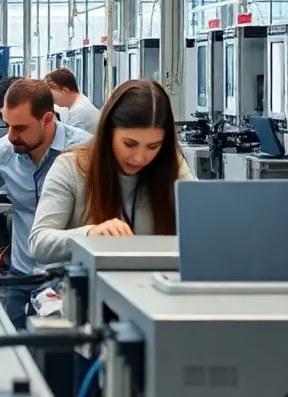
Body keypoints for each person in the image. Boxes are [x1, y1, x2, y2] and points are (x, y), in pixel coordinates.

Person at [0, 78, 92, 328]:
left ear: (47, 119)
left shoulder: (84, 151)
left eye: (20, 128)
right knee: (15, 350)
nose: (11, 136)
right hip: (21, 273)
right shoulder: (6, 149)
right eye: (7, 125)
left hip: (67, 277)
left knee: (57, 359)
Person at [29, 79, 194, 265]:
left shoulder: (173, 167)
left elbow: (201, 222)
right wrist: (89, 234)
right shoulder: (71, 167)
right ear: (108, 133)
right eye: (129, 144)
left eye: (153, 146)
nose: (140, 157)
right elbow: (39, 243)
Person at [44, 67, 101, 134]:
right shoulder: (80, 102)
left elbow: (69, 141)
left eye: (51, 94)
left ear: (65, 90)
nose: (51, 99)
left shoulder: (79, 112)